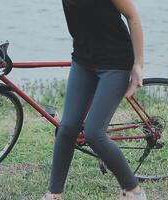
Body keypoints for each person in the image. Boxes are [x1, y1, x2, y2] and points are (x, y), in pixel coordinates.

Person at [41, 0, 146, 199]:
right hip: (83, 61)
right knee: (67, 128)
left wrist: (138, 64)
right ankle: (54, 194)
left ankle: (133, 190)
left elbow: (132, 17)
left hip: (115, 63)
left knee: (93, 133)